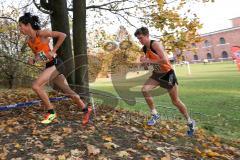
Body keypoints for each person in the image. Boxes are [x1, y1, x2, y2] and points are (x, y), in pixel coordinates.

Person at [18, 12, 92, 125]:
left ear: (28, 25)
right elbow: (40, 55)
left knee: (36, 86)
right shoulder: (29, 42)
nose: (20, 29)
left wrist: (54, 50)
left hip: (56, 64)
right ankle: (86, 109)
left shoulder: (42, 33)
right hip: (50, 66)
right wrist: (33, 60)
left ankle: (51, 112)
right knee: (68, 91)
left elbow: (63, 35)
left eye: (20, 26)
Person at [134, 27, 195, 136]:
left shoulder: (155, 44)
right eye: (138, 39)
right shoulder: (144, 49)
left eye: (141, 38)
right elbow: (149, 67)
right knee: (144, 90)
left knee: (175, 101)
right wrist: (144, 64)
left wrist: (148, 60)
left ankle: (190, 122)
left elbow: (165, 60)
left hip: (167, 74)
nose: (140, 41)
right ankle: (155, 114)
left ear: (147, 36)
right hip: (157, 74)